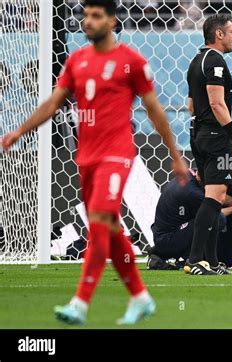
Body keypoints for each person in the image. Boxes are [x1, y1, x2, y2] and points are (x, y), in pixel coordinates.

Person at [0, 0, 188, 325]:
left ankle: (80, 303)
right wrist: (19, 130)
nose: (88, 21)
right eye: (85, 15)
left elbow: (154, 110)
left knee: (99, 218)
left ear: (112, 20)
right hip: (86, 156)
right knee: (110, 227)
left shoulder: (131, 62)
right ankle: (141, 297)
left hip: (117, 153)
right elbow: (53, 104)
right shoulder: (77, 61)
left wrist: (174, 154)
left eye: (96, 15)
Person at [148, 149, 232, 269]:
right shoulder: (194, 193)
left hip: (175, 230)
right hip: (168, 239)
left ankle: (216, 259)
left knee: (224, 219)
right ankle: (191, 259)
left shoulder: (205, 175)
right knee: (217, 219)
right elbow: (215, 213)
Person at [185, 13, 232, 275]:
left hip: (198, 133)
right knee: (216, 197)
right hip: (214, 136)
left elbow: (191, 106)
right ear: (218, 34)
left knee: (213, 198)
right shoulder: (216, 61)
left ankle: (212, 262)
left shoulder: (196, 61)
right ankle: (195, 260)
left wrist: (201, 132)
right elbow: (217, 103)